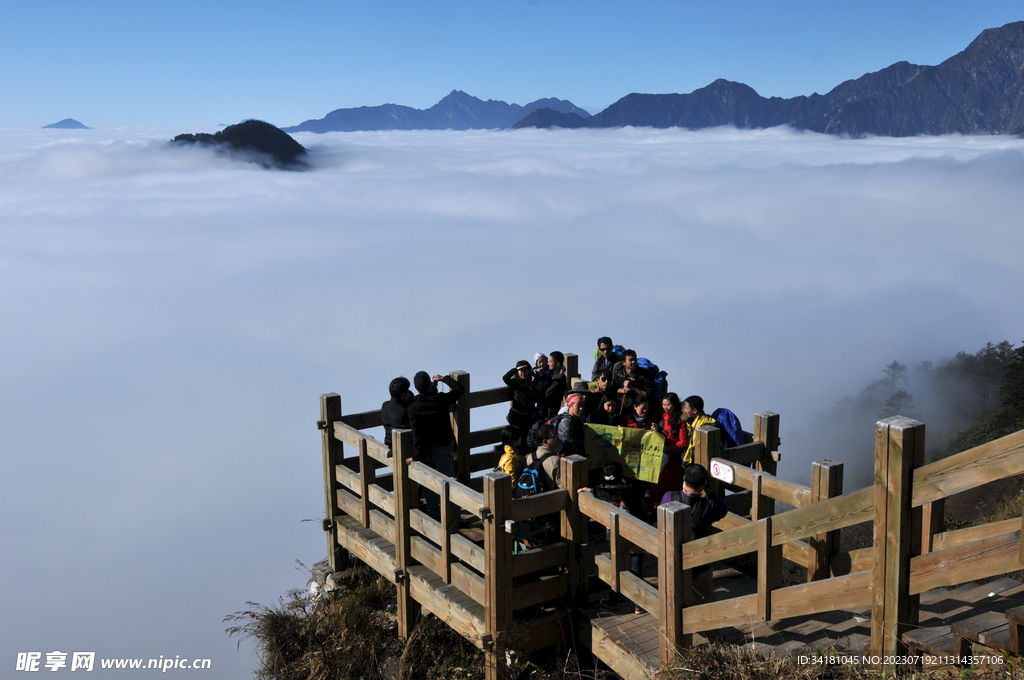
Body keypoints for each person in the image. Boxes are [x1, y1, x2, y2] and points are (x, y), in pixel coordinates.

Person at [579, 461, 645, 613]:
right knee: (636, 565)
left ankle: (614, 599)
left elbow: (599, 490)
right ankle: (638, 603)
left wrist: (590, 490)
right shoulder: (631, 489)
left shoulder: (601, 491)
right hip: (635, 532)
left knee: (617, 566)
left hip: (614, 535)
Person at [406, 371, 465, 520]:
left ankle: (435, 514)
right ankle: (452, 516)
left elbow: (416, 435)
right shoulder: (439, 399)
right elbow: (459, 390)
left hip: (425, 452)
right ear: (430, 384)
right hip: (443, 448)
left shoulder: (412, 406)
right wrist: (444, 379)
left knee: (430, 484)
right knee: (450, 481)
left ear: (416, 387)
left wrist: (415, 456)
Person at [677, 463, 727, 605]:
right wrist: (709, 491)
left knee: (678, 593)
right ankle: (707, 625)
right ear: (704, 483)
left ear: (684, 479)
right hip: (700, 560)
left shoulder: (670, 498)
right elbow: (722, 509)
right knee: (706, 597)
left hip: (674, 559)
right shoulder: (709, 506)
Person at [654, 392, 688, 507]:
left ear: (674, 404)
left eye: (668, 405)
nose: (665, 407)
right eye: (663, 405)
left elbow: (683, 442)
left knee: (670, 485)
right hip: (660, 452)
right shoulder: (661, 415)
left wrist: (668, 449)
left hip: (673, 457)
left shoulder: (681, 419)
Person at [611, 349, 652, 415]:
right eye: (630, 360)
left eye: (635, 359)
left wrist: (633, 388)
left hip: (637, 411)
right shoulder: (618, 373)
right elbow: (613, 389)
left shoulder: (645, 374)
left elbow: (649, 394)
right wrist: (622, 390)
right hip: (620, 408)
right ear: (623, 362)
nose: (633, 362)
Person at [502, 360, 535, 439]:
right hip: (516, 416)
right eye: (521, 370)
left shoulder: (532, 383)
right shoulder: (514, 382)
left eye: (525, 370)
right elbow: (505, 378)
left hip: (528, 417)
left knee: (527, 439)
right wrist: (515, 369)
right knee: (516, 438)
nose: (523, 372)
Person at [525, 424, 562, 491]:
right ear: (545, 441)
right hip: (552, 498)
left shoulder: (529, 457)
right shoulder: (555, 460)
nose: (557, 438)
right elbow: (562, 485)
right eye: (554, 436)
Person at [682, 395, 717, 465]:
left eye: (686, 408)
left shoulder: (707, 422)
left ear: (695, 411)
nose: (684, 411)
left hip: (698, 460)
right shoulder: (691, 420)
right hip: (691, 457)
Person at [381, 376, 412, 453]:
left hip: (391, 445)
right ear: (403, 394)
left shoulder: (385, 406)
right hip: (407, 447)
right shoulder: (407, 410)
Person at [556, 392, 587, 458]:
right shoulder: (566, 422)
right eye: (578, 406)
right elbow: (567, 444)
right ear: (570, 406)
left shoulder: (576, 420)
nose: (581, 408)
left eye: (582, 405)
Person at [540, 351, 567, 419]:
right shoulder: (552, 373)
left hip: (550, 412)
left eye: (550, 361)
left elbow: (547, 394)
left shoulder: (558, 379)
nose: (548, 363)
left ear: (557, 364)